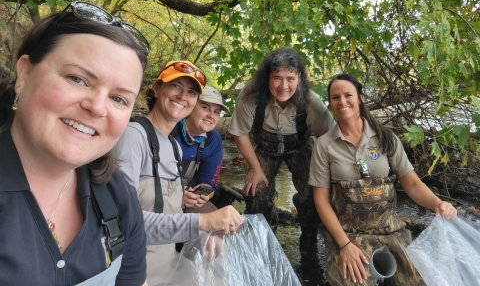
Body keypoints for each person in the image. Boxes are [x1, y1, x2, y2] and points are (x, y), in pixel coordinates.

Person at [0, 1, 149, 285]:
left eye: (118, 98)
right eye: (77, 79)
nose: (97, 107)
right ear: (24, 74)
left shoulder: (118, 199)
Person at [309, 74, 458, 286]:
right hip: (348, 234)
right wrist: (343, 245)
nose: (342, 102)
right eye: (335, 97)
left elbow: (412, 183)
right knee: (357, 282)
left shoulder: (385, 137)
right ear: (330, 103)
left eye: (348, 95)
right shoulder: (324, 145)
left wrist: (438, 204)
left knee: (423, 280)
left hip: (391, 232)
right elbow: (321, 200)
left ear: (360, 98)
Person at [113, 60, 242, 286]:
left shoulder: (173, 146)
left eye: (191, 92)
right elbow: (122, 220)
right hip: (135, 271)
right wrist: (203, 222)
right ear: (156, 87)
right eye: (175, 86)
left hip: (170, 262)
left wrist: (207, 229)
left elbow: (168, 208)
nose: (183, 96)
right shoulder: (133, 136)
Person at [228, 47, 335, 265]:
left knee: (313, 193)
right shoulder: (251, 95)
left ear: (299, 78)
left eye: (290, 78)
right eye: (277, 78)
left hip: (299, 146)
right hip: (264, 148)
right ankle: (263, 241)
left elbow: (330, 138)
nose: (283, 86)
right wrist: (255, 169)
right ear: (267, 77)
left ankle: (308, 247)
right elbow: (239, 133)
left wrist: (331, 174)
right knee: (255, 192)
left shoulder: (312, 102)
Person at [171, 85, 230, 214]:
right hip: (156, 197)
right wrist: (176, 197)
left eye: (216, 112)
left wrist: (201, 196)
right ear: (191, 106)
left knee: (223, 226)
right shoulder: (169, 129)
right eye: (205, 108)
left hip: (189, 200)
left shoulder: (213, 140)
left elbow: (210, 185)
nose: (211, 116)